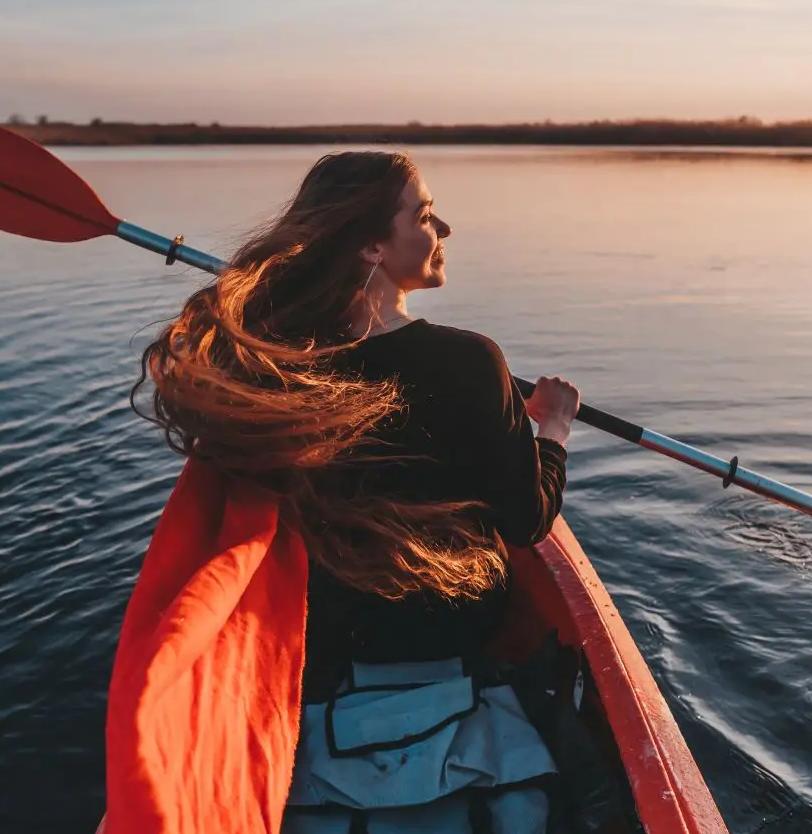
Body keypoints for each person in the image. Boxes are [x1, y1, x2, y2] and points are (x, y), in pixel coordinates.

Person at [133, 150, 580, 693]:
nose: (445, 228)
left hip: (330, 637)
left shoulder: (275, 369)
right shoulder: (472, 361)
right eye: (424, 216)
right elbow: (527, 523)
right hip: (455, 626)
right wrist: (553, 429)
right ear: (371, 246)